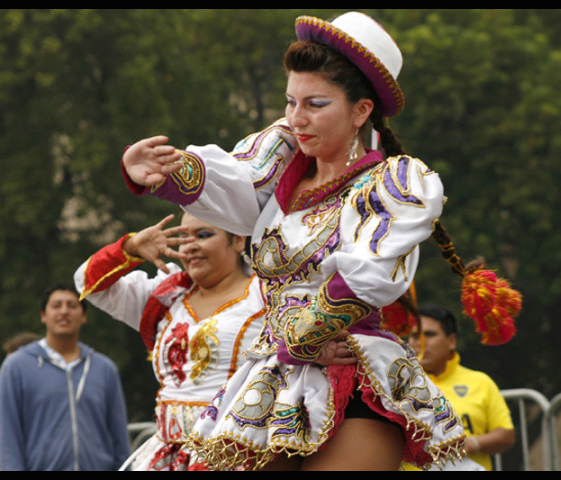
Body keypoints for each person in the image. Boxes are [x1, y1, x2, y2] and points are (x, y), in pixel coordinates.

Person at [120, 12, 470, 471]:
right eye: (290, 102)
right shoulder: (282, 159)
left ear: (361, 110)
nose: (296, 118)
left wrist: (303, 341)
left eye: (316, 104)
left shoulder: (390, 183)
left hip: (354, 372)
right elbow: (232, 186)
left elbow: (367, 276)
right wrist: (162, 172)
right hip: (276, 372)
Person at [73, 211, 267, 470]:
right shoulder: (167, 295)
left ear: (238, 240)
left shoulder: (266, 295)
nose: (190, 246)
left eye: (203, 235)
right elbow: (87, 283)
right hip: (167, 455)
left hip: (235, 454)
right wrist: (131, 248)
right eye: (182, 237)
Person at [0, 282, 130, 470]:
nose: (64, 311)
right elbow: (8, 438)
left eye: (72, 306)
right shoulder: (16, 367)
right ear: (43, 315)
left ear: (84, 316)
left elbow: (120, 438)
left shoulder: (104, 369)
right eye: (56, 305)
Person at [407, 304, 515, 471]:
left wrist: (473, 443)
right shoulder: (395, 386)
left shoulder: (480, 382)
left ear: (451, 341)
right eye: (414, 336)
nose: (420, 342)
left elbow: (506, 435)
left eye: (429, 335)